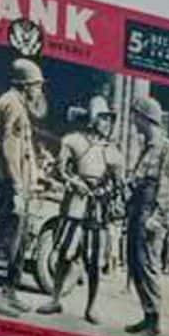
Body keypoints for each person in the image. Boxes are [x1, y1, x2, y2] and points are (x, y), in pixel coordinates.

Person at [39, 93, 122, 322]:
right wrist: (74, 181)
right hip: (74, 204)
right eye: (103, 118)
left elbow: (118, 184)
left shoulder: (113, 151)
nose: (108, 123)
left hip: (98, 209)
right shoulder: (72, 141)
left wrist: (103, 191)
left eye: (110, 119)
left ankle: (91, 307)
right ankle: (55, 299)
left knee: (94, 261)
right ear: (93, 118)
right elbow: (59, 170)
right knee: (64, 253)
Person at [0, 59, 49, 316]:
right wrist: (18, 187)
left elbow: (23, 151)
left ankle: (8, 291)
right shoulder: (13, 105)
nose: (39, 91)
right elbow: (10, 150)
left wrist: (33, 179)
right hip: (11, 184)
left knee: (17, 242)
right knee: (3, 239)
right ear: (25, 85)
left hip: (17, 183)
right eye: (37, 86)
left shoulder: (15, 103)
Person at [122, 90, 169, 336]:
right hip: (138, 210)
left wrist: (156, 219)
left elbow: (168, 188)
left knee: (147, 266)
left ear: (146, 118)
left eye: (136, 117)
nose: (134, 122)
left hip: (150, 214)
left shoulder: (167, 149)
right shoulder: (146, 148)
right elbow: (141, 179)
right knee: (135, 264)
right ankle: (147, 316)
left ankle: (155, 326)